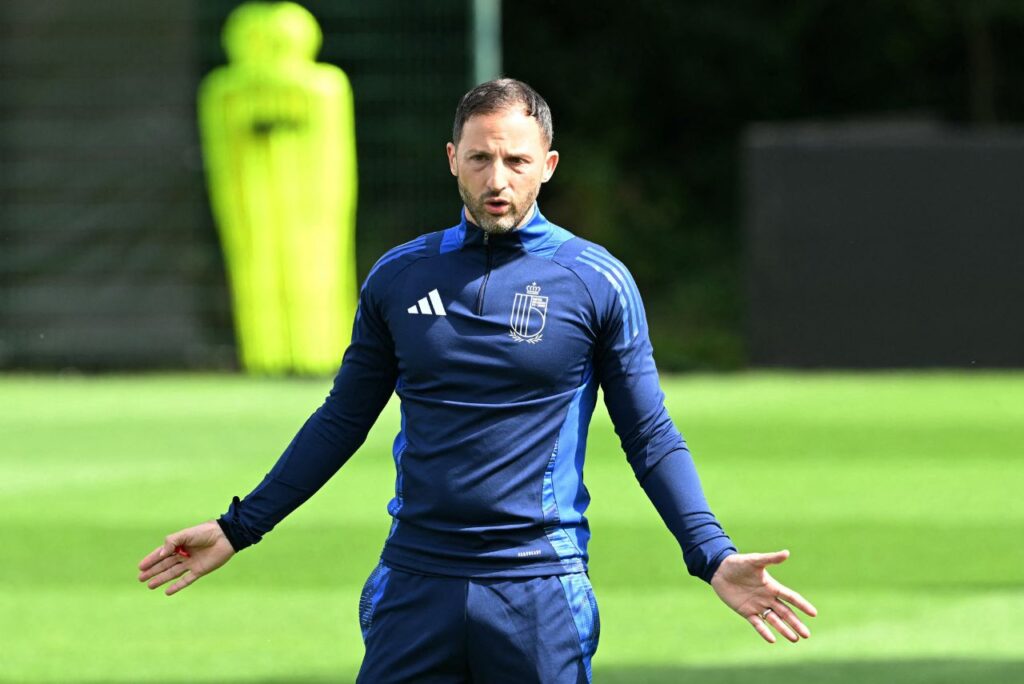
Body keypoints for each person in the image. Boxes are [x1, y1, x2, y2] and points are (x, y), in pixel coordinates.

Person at [139, 78, 816, 683]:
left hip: (538, 589)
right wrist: (240, 526)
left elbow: (650, 434)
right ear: (452, 160)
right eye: (481, 157)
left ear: (546, 167)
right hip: (415, 582)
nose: (499, 178)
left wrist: (712, 555)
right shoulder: (398, 277)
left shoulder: (596, 280)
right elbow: (341, 420)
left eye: (518, 160)